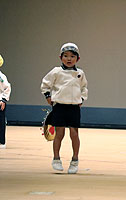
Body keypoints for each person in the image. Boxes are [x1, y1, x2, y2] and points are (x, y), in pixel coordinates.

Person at [41, 43, 88, 174]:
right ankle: (56, 159)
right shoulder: (56, 71)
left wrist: (82, 99)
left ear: (77, 59)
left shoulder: (80, 73)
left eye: (72, 56)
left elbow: (84, 88)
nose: (69, 59)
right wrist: (48, 96)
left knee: (74, 134)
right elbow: (45, 84)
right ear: (61, 57)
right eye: (66, 56)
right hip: (59, 107)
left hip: (74, 108)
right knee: (59, 134)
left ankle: (75, 160)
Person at [0, 54, 11, 149]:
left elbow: (7, 88)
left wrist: (3, 99)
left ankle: (1, 141)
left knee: (0, 122)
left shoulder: (1, 77)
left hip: (0, 102)